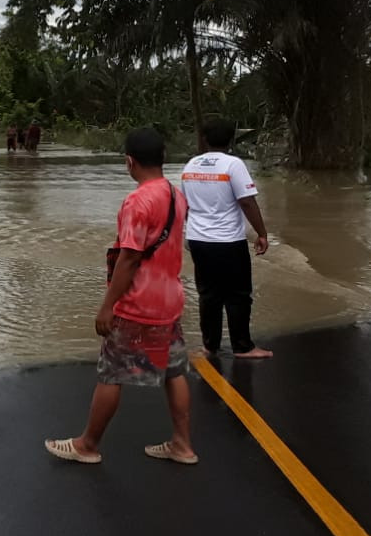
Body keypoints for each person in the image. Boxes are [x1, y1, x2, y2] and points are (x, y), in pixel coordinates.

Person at [45, 128, 196, 466]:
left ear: (129, 162)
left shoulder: (138, 201)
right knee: (173, 371)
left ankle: (87, 444)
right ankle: (183, 445)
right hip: (169, 301)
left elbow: (129, 258)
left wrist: (107, 306)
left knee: (112, 373)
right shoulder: (176, 195)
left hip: (137, 305)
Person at [181, 119, 272, 359]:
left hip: (198, 239)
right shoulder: (233, 164)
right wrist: (262, 233)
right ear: (232, 140)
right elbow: (247, 201)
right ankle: (243, 347)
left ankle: (209, 345)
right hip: (228, 241)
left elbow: (185, 205)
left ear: (204, 139)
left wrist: (192, 231)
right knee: (238, 295)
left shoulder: (190, 165)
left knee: (208, 294)